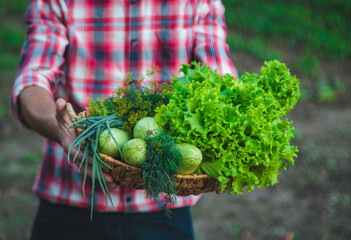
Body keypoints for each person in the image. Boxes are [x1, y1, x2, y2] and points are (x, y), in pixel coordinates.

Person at [11, 0, 238, 239]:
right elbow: (31, 80)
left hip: (164, 202)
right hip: (72, 196)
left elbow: (220, 81)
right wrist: (59, 127)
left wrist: (228, 143)